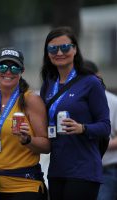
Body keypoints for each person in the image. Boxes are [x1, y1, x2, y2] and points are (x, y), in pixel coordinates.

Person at [40, 26, 111, 200]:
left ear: (75, 49)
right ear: (47, 53)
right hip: (57, 169)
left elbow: (105, 127)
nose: (59, 52)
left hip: (83, 170)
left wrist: (83, 128)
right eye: (53, 48)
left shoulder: (91, 82)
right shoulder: (48, 84)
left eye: (64, 47)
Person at [0, 47, 50, 200]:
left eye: (14, 67)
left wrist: (27, 139)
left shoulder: (31, 100)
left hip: (22, 186)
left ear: (22, 71)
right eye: (3, 67)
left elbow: (47, 145)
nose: (8, 72)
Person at [84, 60, 117, 200]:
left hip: (106, 168)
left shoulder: (113, 101)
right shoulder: (75, 100)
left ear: (99, 75)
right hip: (81, 168)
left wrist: (101, 145)